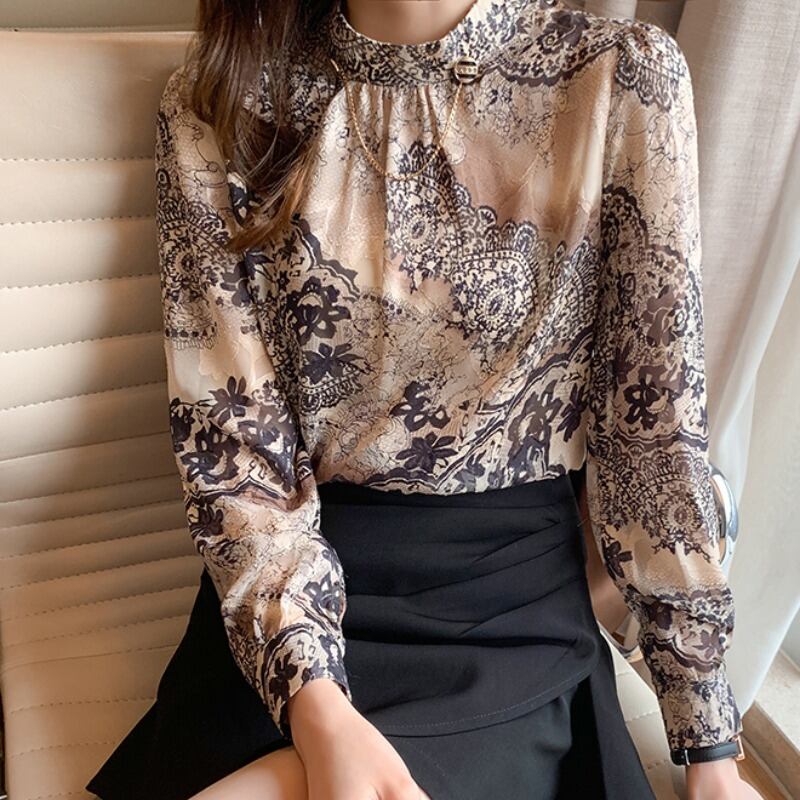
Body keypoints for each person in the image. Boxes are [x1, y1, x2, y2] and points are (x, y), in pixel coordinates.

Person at [85, 1, 763, 798]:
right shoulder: (221, 102)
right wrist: (318, 711)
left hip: (501, 610)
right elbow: (234, 452)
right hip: (287, 590)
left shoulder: (617, 78)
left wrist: (710, 750)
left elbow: (654, 440)